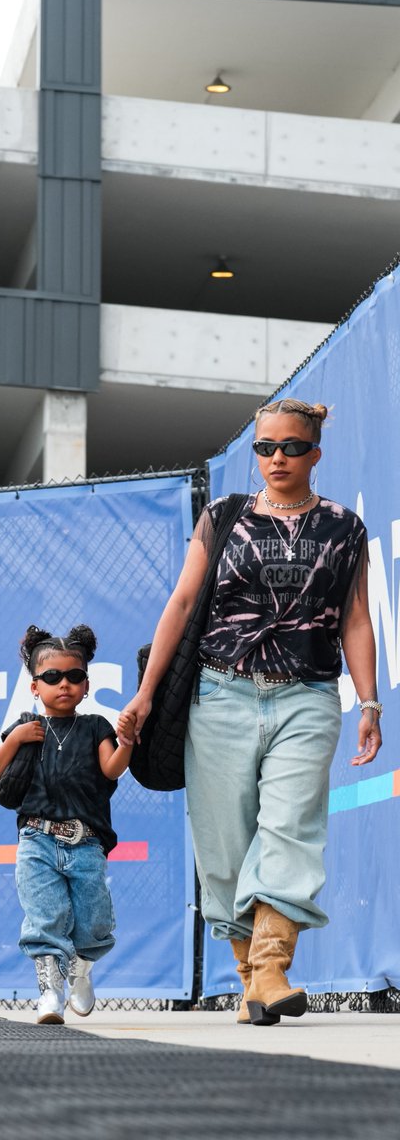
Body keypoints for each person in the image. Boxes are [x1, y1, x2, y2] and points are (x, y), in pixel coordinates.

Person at [119, 398, 381, 1026]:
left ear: (315, 452)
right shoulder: (223, 517)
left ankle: (270, 965)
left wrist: (368, 702)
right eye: (266, 448)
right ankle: (250, 983)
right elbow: (182, 604)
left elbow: (355, 619)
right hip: (221, 694)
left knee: (291, 826)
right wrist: (147, 692)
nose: (277, 458)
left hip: (309, 696)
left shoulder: (345, 528)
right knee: (225, 848)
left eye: (291, 447)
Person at [0, 625, 133, 1025]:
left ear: (86, 684)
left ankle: (80, 970)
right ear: (35, 686)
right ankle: (50, 991)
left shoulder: (95, 726)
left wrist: (128, 742)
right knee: (44, 916)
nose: (63, 684)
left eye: (74, 676)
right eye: (52, 677)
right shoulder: (24, 727)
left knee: (95, 920)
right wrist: (16, 738)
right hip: (36, 839)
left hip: (86, 843)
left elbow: (111, 768)